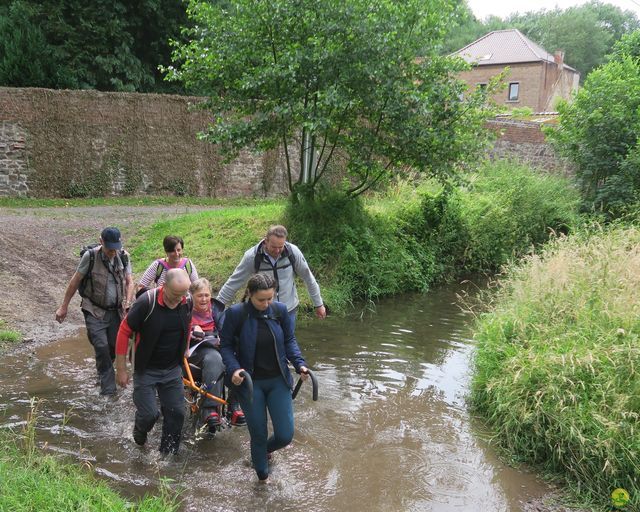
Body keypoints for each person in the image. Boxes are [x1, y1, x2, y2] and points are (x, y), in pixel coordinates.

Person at [220, 273, 309, 482]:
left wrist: (300, 364)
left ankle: (260, 451)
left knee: (285, 435)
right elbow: (225, 346)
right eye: (261, 299)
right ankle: (262, 479)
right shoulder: (235, 314)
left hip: (278, 380)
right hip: (251, 384)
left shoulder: (279, 311)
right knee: (258, 433)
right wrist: (233, 369)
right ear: (250, 294)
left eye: (270, 298)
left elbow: (289, 340)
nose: (266, 303)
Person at [114, 268, 192, 455]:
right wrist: (121, 369)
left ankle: (167, 456)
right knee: (149, 415)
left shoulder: (186, 301)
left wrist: (186, 347)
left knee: (177, 414)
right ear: (164, 286)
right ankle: (140, 430)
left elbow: (188, 324)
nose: (178, 299)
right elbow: (123, 332)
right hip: (146, 368)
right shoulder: (146, 303)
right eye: (175, 294)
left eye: (183, 294)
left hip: (172, 368)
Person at [55, 227, 134, 396]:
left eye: (116, 248)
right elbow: (75, 281)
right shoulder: (90, 257)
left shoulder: (124, 257)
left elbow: (129, 282)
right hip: (94, 309)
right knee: (101, 345)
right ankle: (108, 391)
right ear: (101, 242)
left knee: (114, 346)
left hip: (115, 311)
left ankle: (103, 371)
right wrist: (64, 306)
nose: (113, 252)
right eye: (110, 248)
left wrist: (127, 304)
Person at [217, 225, 326, 328]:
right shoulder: (252, 257)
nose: (277, 251)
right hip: (262, 310)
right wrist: (215, 308)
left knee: (287, 343)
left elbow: (308, 278)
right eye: (274, 247)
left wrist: (318, 304)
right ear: (266, 241)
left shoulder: (293, 253)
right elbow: (233, 283)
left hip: (289, 309)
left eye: (281, 247)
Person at [188, 278, 245, 431]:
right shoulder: (184, 310)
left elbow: (228, 329)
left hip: (217, 347)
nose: (204, 299)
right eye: (200, 296)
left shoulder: (217, 310)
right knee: (215, 358)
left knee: (239, 353)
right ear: (191, 295)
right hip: (194, 352)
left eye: (207, 295)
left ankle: (234, 404)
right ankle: (210, 408)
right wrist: (192, 330)